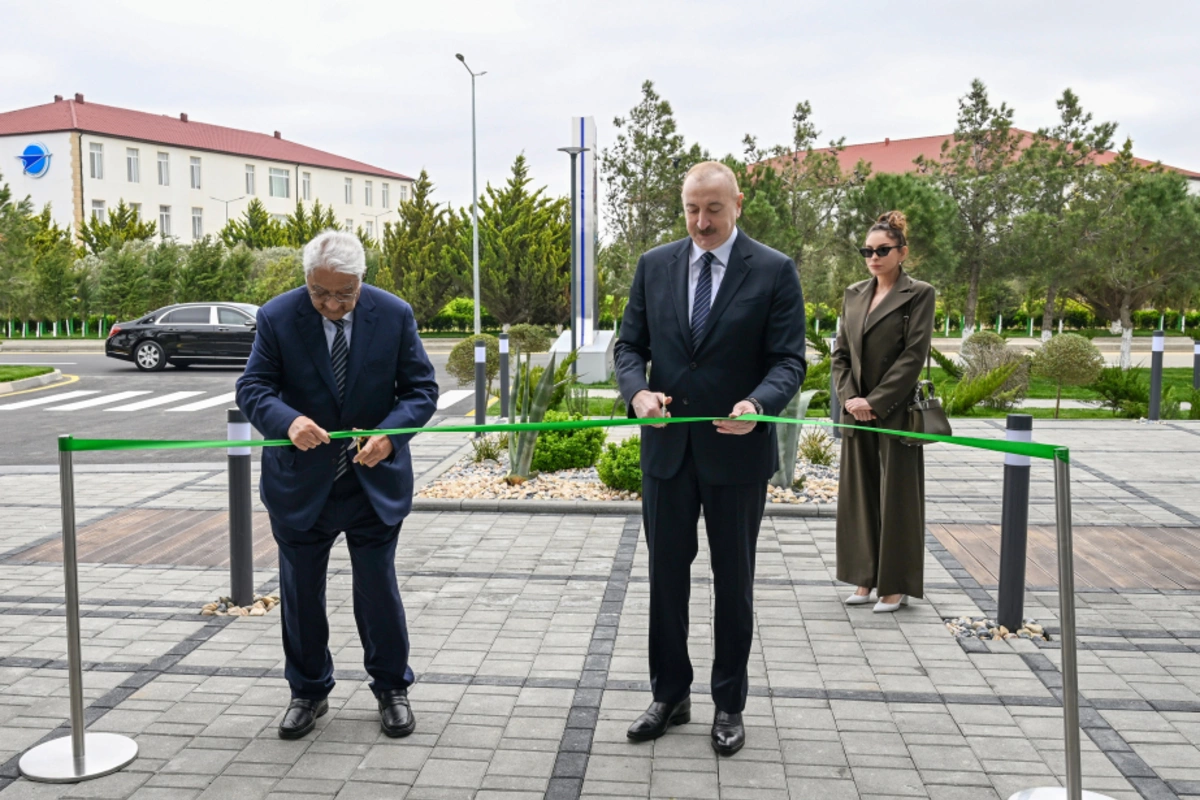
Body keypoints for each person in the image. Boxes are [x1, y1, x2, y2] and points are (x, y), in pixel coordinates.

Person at [613, 161, 807, 755]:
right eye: (692, 209)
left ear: (738, 204)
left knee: (734, 583)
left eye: (713, 209)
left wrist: (758, 402)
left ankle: (729, 703)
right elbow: (629, 345)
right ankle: (669, 694)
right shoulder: (654, 265)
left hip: (736, 454)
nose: (701, 222)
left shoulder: (774, 270)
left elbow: (789, 361)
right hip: (667, 453)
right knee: (665, 580)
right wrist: (637, 392)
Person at [236, 230, 438, 740]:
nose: (329, 303)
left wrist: (391, 438)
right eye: (318, 292)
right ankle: (307, 692)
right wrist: (287, 422)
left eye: (342, 295)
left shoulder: (393, 315)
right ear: (307, 281)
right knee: (301, 593)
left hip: (372, 478)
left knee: (378, 590)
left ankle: (392, 688)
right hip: (302, 485)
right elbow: (253, 387)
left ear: (361, 282)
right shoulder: (277, 316)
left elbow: (420, 390)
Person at [831, 211, 935, 613]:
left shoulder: (919, 293)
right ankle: (864, 578)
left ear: (902, 252)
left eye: (882, 250)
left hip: (894, 412)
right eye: (867, 250)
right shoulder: (854, 293)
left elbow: (914, 356)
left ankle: (894, 585)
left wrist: (874, 402)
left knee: (898, 500)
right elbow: (840, 354)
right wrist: (850, 398)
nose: (873, 256)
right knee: (858, 497)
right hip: (855, 411)